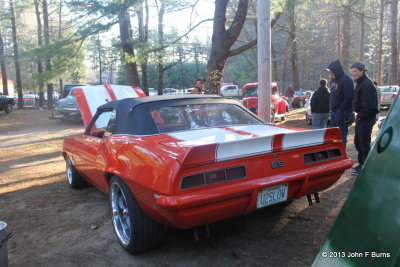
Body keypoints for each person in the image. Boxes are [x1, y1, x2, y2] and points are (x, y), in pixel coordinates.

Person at [350, 61, 379, 176]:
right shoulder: (360, 83)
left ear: (362, 71)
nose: (354, 74)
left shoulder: (367, 84)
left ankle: (365, 166)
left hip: (366, 118)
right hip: (361, 117)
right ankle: (362, 163)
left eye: (356, 71)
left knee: (363, 143)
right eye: (352, 72)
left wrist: (362, 116)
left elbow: (370, 105)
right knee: (358, 142)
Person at [325, 60, 354, 147]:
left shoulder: (346, 80)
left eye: (331, 72)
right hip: (333, 111)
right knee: (333, 133)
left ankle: (342, 151)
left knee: (341, 134)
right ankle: (335, 151)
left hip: (342, 112)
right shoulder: (333, 79)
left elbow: (349, 97)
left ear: (336, 71)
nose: (330, 74)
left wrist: (341, 110)